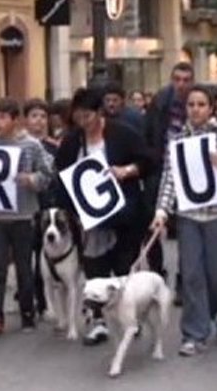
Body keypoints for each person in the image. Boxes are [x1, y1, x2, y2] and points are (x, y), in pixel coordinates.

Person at [151, 85, 217, 355]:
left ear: (211, 108)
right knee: (192, 273)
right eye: (191, 105)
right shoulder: (177, 140)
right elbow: (169, 178)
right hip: (188, 216)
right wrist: (162, 211)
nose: (195, 109)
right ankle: (194, 333)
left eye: (201, 104)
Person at [55, 86, 151, 345]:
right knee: (94, 268)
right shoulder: (73, 140)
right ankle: (96, 320)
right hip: (90, 219)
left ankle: (129, 315)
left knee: (122, 266)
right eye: (78, 117)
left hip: (125, 213)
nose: (84, 123)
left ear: (99, 113)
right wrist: (70, 210)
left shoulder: (123, 134)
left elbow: (149, 160)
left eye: (88, 116)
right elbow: (62, 174)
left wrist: (127, 170)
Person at [0, 98, 53, 342]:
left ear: (15, 120)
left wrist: (31, 180)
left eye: (3, 117)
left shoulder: (30, 146)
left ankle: (28, 310)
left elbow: (48, 172)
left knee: (23, 267)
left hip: (23, 214)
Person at [144, 62, 195, 282]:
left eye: (185, 80)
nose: (181, 84)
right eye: (177, 79)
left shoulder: (196, 101)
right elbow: (149, 131)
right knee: (152, 221)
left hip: (189, 171)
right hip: (161, 166)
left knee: (187, 228)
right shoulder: (160, 101)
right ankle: (157, 271)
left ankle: (184, 277)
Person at [24, 98, 59, 318]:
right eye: (34, 116)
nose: (39, 121)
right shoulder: (21, 145)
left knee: (44, 258)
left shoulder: (53, 146)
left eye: (43, 116)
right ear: (26, 120)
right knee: (26, 257)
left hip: (47, 206)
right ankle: (29, 299)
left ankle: (45, 302)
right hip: (26, 207)